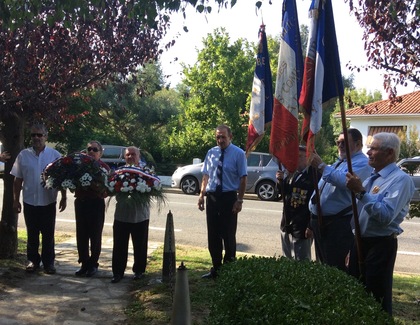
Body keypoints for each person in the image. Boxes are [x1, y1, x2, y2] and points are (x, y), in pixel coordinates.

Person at [346, 132, 414, 315]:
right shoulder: (372, 178)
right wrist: (353, 245)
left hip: (380, 245)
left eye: (373, 149)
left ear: (389, 153)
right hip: (360, 242)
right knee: (355, 294)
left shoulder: (401, 180)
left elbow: (385, 216)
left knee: (376, 299)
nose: (368, 152)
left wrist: (361, 192)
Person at [309, 128, 372, 271]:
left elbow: (345, 182)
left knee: (335, 265)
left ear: (357, 144)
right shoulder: (340, 162)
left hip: (337, 224)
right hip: (320, 221)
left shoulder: (362, 163)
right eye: (338, 142)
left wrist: (321, 165)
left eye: (344, 142)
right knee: (323, 264)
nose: (340, 146)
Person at [11, 123, 67, 274]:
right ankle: (33, 261)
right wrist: (15, 200)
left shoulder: (55, 155)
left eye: (39, 135)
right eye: (33, 135)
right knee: (32, 233)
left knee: (48, 234)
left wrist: (64, 196)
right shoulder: (23, 155)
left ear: (46, 137)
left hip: (48, 201)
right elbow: (17, 180)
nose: (36, 138)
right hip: (29, 201)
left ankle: (49, 263)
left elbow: (62, 178)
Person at [198, 124, 247, 279]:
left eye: (223, 137)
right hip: (212, 198)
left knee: (228, 234)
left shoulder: (239, 154)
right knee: (213, 235)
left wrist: (239, 200)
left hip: (229, 198)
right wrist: (201, 195)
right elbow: (206, 176)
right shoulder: (211, 153)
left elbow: (243, 178)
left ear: (230, 137)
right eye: (218, 137)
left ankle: (229, 270)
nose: (220, 140)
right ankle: (216, 268)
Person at [111, 146, 150, 283]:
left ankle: (139, 270)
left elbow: (153, 186)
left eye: (133, 154)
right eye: (128, 155)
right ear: (124, 157)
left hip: (140, 215)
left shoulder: (146, 172)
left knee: (140, 245)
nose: (130, 157)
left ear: (139, 156)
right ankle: (117, 272)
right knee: (119, 245)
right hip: (122, 215)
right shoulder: (119, 172)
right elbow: (111, 187)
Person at [74, 141, 110, 277]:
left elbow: (108, 189)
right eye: (89, 149)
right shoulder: (79, 166)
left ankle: (93, 264)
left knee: (95, 235)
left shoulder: (103, 167)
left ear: (100, 153)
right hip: (81, 202)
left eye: (95, 149)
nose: (92, 151)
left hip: (96, 203)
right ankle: (84, 263)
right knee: (81, 234)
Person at [278, 146, 320, 261]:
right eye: (296, 156)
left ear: (308, 158)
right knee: (287, 258)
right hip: (287, 223)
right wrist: (280, 181)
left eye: (301, 156)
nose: (297, 159)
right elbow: (285, 193)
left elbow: (317, 204)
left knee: (301, 260)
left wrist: (310, 226)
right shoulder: (293, 173)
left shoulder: (314, 176)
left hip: (302, 226)